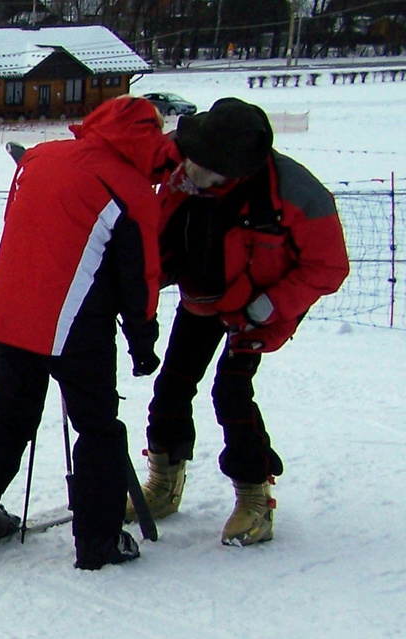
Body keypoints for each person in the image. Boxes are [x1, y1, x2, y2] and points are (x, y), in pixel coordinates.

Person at [0, 95, 176, 570]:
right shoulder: (131, 190)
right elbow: (138, 278)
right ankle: (99, 541)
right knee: (98, 428)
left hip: (8, 311)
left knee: (8, 412)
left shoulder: (40, 157)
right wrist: (143, 343)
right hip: (74, 326)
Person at [132, 97, 350, 545]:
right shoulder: (185, 167)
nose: (192, 170)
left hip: (255, 308)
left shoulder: (298, 195)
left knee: (230, 393)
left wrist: (270, 306)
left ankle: (255, 496)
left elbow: (329, 267)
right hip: (200, 297)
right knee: (172, 386)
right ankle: (163, 483)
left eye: (207, 167)